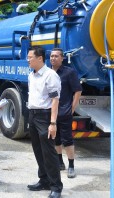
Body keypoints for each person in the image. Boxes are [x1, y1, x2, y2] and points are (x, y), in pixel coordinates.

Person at [26, 46, 63, 198]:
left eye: (30, 57)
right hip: (33, 115)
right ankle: (44, 180)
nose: (28, 60)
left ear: (40, 58)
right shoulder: (31, 75)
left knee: (49, 152)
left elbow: (55, 100)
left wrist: (53, 123)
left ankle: (56, 187)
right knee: (38, 150)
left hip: (45, 116)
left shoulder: (50, 75)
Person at [50, 48, 82, 178]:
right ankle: (60, 163)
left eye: (56, 56)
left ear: (62, 58)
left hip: (64, 112)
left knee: (67, 140)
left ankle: (71, 166)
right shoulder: (47, 72)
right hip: (52, 112)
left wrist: (72, 109)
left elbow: (78, 91)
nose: (53, 58)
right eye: (52, 56)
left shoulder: (69, 73)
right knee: (55, 139)